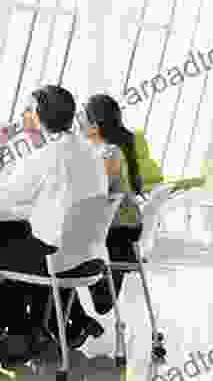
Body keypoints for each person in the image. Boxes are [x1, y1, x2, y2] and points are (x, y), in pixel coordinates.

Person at [0, 85, 110, 363]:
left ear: (41, 116)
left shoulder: (47, 156)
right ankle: (29, 330)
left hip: (53, 258)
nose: (25, 114)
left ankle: (15, 332)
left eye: (29, 109)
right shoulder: (90, 153)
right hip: (88, 256)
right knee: (9, 240)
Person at [82, 94, 144, 299]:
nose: (78, 122)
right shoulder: (110, 150)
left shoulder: (109, 153)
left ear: (94, 124)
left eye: (82, 117)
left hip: (117, 230)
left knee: (51, 248)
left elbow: (94, 192)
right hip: (120, 227)